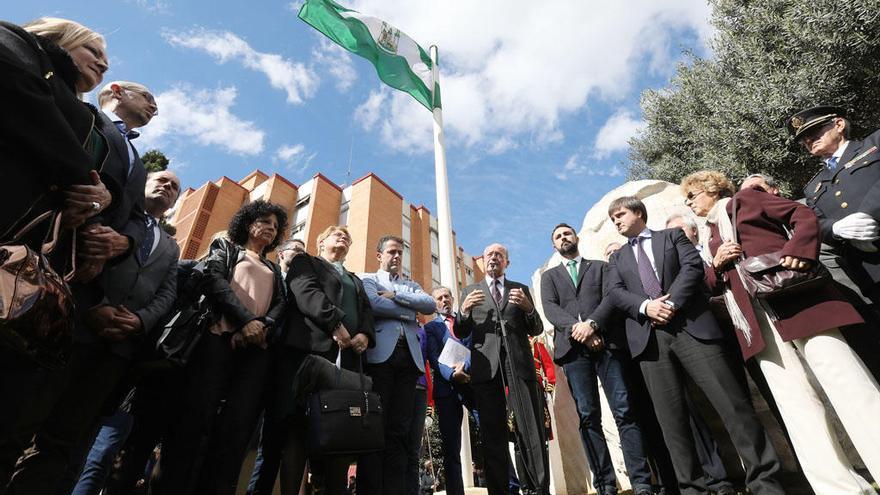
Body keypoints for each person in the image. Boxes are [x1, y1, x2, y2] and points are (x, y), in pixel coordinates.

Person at [682, 169, 880, 493]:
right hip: (756, 327)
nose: (689, 203)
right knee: (797, 410)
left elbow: (801, 214)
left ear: (712, 189)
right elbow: (709, 283)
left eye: (693, 195)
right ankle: (837, 488)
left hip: (798, 303)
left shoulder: (745, 200)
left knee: (849, 385)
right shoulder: (708, 235)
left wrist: (800, 251)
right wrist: (715, 264)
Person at [6, 171, 180, 495]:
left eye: (174, 187)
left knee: (63, 440)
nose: (167, 187)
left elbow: (168, 293)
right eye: (163, 180)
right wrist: (95, 304)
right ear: (145, 181)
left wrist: (140, 321)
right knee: (22, 422)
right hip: (74, 329)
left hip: (116, 351)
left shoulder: (172, 247)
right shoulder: (117, 214)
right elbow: (80, 251)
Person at [606, 196, 784, 495]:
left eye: (620, 214)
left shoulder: (672, 236)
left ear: (638, 212)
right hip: (651, 342)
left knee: (733, 407)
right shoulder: (618, 258)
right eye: (612, 219)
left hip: (692, 328)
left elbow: (692, 268)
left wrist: (672, 302)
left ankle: (765, 483)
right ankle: (692, 489)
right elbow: (614, 291)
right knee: (672, 423)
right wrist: (646, 307)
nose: (616, 221)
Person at [0, 16, 113, 487]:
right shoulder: (14, 40)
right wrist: (83, 177)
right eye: (94, 52)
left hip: (25, 275)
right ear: (62, 39)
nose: (103, 64)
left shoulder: (80, 112)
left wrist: (95, 199)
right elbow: (14, 87)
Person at [157, 200, 287, 495]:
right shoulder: (227, 250)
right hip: (216, 339)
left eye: (276, 226)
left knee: (236, 427)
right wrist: (244, 322)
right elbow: (215, 281)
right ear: (249, 223)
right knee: (196, 419)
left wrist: (261, 326)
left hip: (256, 351)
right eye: (265, 221)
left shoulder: (274, 268)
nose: (271, 228)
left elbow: (281, 304)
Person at [539, 223, 652, 495]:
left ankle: (641, 482)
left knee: (624, 411)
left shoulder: (601, 267)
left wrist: (593, 325)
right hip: (573, 352)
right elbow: (551, 309)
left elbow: (611, 299)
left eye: (567, 233)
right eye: (557, 236)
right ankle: (605, 484)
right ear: (554, 245)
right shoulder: (549, 276)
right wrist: (579, 330)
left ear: (576, 237)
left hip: (607, 345)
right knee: (588, 416)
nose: (564, 238)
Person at [269, 225, 375, 495]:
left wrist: (364, 333)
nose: (343, 237)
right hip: (308, 354)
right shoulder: (306, 262)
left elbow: (366, 310)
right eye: (336, 234)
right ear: (320, 241)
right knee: (297, 431)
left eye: (347, 237)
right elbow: (306, 292)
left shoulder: (355, 279)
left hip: (346, 362)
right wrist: (334, 322)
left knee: (340, 428)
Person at [456, 243, 548, 495]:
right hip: (486, 369)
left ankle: (539, 488)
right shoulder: (470, 291)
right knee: (492, 432)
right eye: (489, 255)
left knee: (530, 427)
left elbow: (536, 328)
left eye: (499, 255)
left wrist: (528, 308)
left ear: (506, 261)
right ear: (483, 261)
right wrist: (463, 311)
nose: (493, 258)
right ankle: (499, 490)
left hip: (518, 364)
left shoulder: (519, 289)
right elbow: (460, 331)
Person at [358, 235, 436, 495]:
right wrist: (407, 311)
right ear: (379, 255)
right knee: (376, 426)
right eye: (392, 252)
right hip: (381, 359)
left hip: (409, 362)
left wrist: (396, 295)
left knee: (400, 430)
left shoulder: (410, 284)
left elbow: (429, 304)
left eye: (400, 253)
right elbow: (373, 303)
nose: (397, 257)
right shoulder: (368, 278)